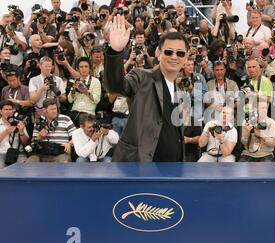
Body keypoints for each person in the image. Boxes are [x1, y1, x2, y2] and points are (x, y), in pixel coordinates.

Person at [104, 15, 188, 162]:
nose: (174, 57)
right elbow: (115, 87)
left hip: (173, 171)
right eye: (169, 52)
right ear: (158, 53)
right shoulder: (142, 77)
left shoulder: (180, 91)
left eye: (180, 53)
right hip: (141, 168)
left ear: (186, 58)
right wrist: (116, 51)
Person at [26, 99, 76, 163]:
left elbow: (76, 137)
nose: (54, 111)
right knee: (30, 161)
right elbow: (33, 142)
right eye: (52, 109)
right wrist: (39, 137)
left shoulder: (65, 119)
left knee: (63, 161)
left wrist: (69, 144)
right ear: (44, 110)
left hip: (60, 153)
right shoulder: (39, 121)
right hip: (41, 153)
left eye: (55, 109)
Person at [67, 57, 102, 125]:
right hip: (75, 112)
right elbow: (69, 100)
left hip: (88, 113)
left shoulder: (96, 81)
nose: (84, 69)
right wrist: (73, 90)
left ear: (90, 69)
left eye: (86, 67)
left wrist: (86, 92)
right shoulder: (76, 81)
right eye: (81, 67)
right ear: (77, 69)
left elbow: (97, 100)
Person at [0, 100, 30, 168]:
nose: (8, 112)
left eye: (10, 109)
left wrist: (22, 132)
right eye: (6, 109)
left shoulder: (19, 123)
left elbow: (26, 142)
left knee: (25, 168)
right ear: (1, 111)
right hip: (1, 153)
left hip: (17, 153)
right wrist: (6, 132)